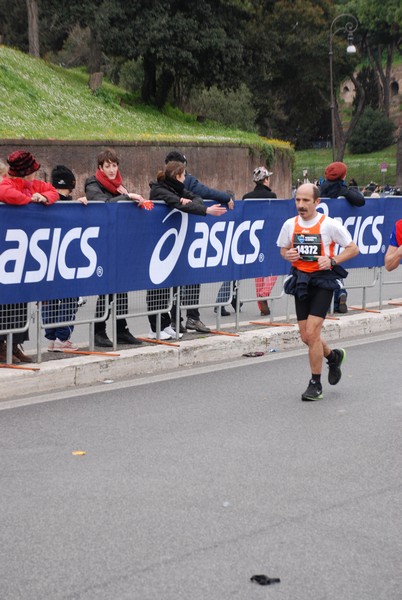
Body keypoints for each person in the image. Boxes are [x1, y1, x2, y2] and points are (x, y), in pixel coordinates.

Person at [276, 182, 359, 401]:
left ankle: (315, 383)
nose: (301, 205)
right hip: (301, 281)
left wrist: (332, 260)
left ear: (317, 202)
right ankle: (333, 357)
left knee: (312, 333)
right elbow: (283, 249)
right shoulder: (289, 225)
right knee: (306, 336)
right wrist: (288, 255)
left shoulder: (329, 225)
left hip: (323, 281)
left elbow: (353, 249)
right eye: (298, 200)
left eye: (306, 201)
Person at [149, 160, 227, 336]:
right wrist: (205, 210)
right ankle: (155, 328)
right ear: (177, 176)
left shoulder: (176, 188)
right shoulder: (159, 189)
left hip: (172, 241)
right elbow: (176, 203)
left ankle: (166, 324)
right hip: (158, 241)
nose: (185, 179)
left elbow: (195, 197)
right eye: (184, 175)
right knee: (157, 287)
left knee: (168, 286)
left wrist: (188, 200)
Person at [0, 150, 59, 364]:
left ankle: (14, 345)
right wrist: (29, 200)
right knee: (5, 301)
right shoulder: (8, 183)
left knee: (20, 302)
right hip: (7, 251)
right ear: (25, 173)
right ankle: (1, 345)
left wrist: (43, 197)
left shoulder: (35, 185)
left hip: (23, 253)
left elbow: (53, 191)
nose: (36, 175)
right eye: (33, 172)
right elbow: (6, 194)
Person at [164, 151, 234, 328]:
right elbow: (205, 191)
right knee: (188, 278)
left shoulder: (166, 182)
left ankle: (178, 319)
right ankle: (188, 318)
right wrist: (226, 197)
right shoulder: (181, 182)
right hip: (185, 238)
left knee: (179, 280)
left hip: (174, 238)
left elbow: (198, 196)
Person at [85, 148, 145, 347]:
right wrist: (129, 198)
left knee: (122, 286)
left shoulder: (119, 186)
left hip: (119, 241)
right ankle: (98, 330)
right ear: (100, 168)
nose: (111, 170)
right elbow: (105, 204)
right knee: (106, 288)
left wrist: (131, 199)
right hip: (101, 242)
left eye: (114, 165)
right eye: (107, 166)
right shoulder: (92, 183)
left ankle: (121, 329)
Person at [42, 166, 87, 352]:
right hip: (67, 260)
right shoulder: (72, 207)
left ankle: (52, 338)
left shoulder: (45, 203)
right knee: (69, 298)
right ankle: (63, 338)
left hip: (46, 260)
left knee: (49, 298)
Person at [319, 161, 365, 314]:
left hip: (318, 233)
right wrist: (345, 191)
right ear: (343, 176)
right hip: (337, 233)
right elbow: (360, 201)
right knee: (333, 260)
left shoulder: (319, 189)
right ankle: (339, 291)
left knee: (325, 264)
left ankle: (330, 298)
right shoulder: (342, 190)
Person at [242, 166, 278, 316]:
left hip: (252, 236)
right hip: (268, 234)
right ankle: (264, 293)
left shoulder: (246, 197)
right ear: (266, 179)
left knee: (259, 271)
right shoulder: (272, 196)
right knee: (274, 266)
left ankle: (261, 300)